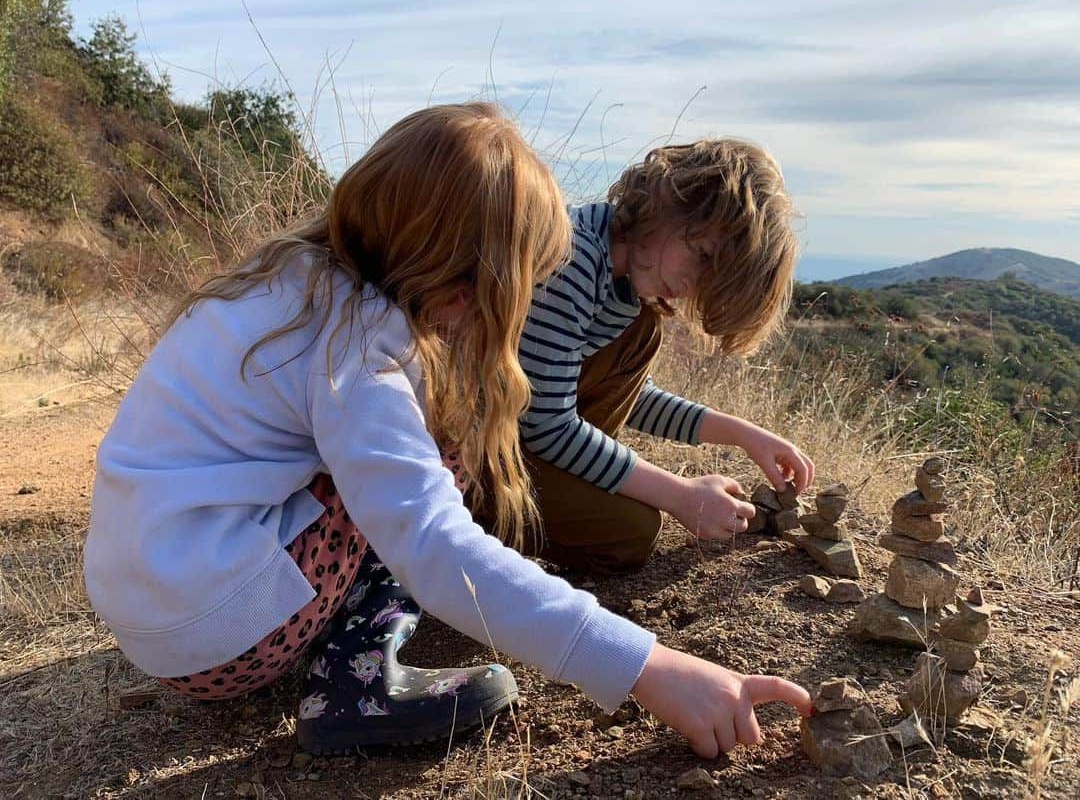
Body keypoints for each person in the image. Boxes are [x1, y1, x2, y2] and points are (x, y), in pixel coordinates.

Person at [84, 102, 811, 759]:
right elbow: (432, 540)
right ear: (463, 282)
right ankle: (354, 682)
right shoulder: (357, 350)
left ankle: (332, 637)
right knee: (450, 443)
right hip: (210, 633)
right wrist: (652, 668)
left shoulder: (294, 277)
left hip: (162, 602)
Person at [516, 138, 814, 574]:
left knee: (642, 330)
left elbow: (630, 396)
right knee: (629, 532)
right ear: (670, 200)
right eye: (702, 254)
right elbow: (545, 424)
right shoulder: (574, 257)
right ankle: (479, 524)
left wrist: (744, 434)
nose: (691, 281)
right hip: (469, 455)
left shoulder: (622, 287)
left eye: (710, 278)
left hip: (520, 435)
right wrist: (678, 494)